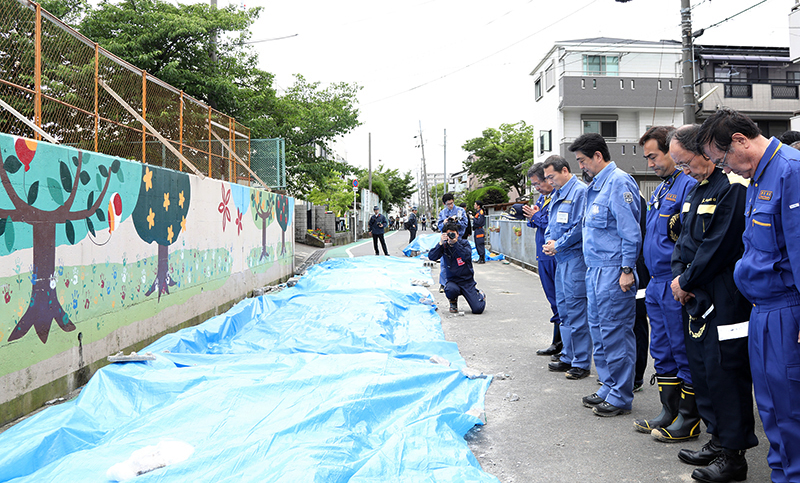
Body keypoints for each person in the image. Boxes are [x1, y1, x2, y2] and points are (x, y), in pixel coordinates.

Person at [697, 109, 800, 483]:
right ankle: (781, 474)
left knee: (791, 408)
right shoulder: (758, 175)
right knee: (770, 406)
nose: (724, 168)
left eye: (723, 158)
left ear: (740, 140)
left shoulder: (791, 171)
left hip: (787, 309)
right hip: (762, 309)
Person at [668, 123, 757, 483]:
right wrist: (679, 277)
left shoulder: (731, 189)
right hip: (694, 296)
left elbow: (718, 247)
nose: (684, 170)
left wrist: (685, 281)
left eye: (686, 162)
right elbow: (682, 241)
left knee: (726, 373)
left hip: (724, 297)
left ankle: (734, 456)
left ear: (705, 152)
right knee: (703, 372)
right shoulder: (696, 190)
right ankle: (717, 440)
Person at [633, 126, 701, 442]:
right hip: (656, 283)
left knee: (681, 347)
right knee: (661, 348)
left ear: (672, 152)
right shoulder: (662, 189)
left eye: (654, 156)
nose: (650, 164)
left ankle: (689, 418)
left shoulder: (689, 185)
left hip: (675, 281)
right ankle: (668, 411)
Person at [570, 133, 641, 417]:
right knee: (599, 332)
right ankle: (608, 385)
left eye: (582, 160)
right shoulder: (595, 187)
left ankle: (621, 395)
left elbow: (630, 232)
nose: (581, 166)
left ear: (598, 156)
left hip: (613, 270)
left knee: (616, 333)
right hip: (595, 270)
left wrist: (627, 269)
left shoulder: (619, 182)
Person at [541, 155, 592, 381]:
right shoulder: (557, 194)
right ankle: (568, 355)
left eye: (551, 176)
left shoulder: (579, 192)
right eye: (547, 178)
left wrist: (558, 244)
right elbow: (551, 224)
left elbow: (580, 226)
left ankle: (581, 362)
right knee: (564, 310)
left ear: (564, 171)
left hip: (575, 259)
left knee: (576, 311)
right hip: (561, 259)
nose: (549, 181)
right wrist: (549, 242)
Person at [522, 163, 562, 359]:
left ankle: (562, 344)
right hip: (543, 254)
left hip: (554, 254)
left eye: (538, 183)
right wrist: (533, 216)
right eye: (534, 185)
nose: (537, 188)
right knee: (552, 299)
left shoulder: (557, 197)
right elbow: (534, 222)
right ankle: (557, 341)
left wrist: (536, 216)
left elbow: (552, 224)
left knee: (560, 299)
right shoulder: (542, 198)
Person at [428, 221, 486, 314]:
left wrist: (455, 243)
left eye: (453, 234)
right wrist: (440, 243)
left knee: (478, 309)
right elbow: (432, 257)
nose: (451, 236)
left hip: (467, 281)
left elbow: (466, 256)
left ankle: (480, 295)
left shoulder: (464, 243)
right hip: (453, 281)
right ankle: (453, 302)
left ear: (458, 234)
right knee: (449, 289)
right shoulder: (444, 246)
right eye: (448, 234)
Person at [437, 193, 468, 293]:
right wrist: (444, 222)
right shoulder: (442, 213)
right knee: (444, 262)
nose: (450, 205)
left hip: (458, 240)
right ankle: (443, 284)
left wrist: (457, 221)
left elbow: (465, 224)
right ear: (444, 204)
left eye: (451, 203)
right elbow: (439, 226)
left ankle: (461, 282)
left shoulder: (460, 211)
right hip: (446, 241)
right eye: (448, 204)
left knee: (460, 261)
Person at [472, 200, 486, 264]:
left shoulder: (481, 212)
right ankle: (480, 258)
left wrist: (473, 218)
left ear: (478, 206)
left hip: (479, 230)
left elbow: (479, 222)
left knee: (480, 244)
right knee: (477, 244)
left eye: (475, 204)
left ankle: (482, 258)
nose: (474, 205)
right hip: (477, 230)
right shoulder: (477, 212)